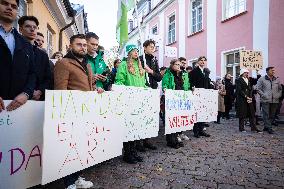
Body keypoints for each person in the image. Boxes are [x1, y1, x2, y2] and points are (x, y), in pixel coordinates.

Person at [54, 34, 94, 189]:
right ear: (70, 46)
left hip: (86, 112)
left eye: (85, 45)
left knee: (81, 147)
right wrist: (64, 113)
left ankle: (77, 177)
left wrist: (96, 89)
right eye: (79, 44)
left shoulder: (88, 64)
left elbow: (88, 86)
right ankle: (68, 183)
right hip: (70, 113)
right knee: (70, 148)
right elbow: (60, 90)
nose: (83, 47)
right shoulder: (63, 63)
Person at [0, 0, 36, 112]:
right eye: (5, 3)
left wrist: (26, 93)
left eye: (14, 6)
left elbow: (32, 73)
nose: (10, 8)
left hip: (17, 109)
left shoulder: (25, 43)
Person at [115, 44, 146, 164]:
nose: (136, 53)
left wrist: (145, 90)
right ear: (128, 53)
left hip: (139, 101)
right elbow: (119, 81)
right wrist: (128, 92)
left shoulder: (139, 66)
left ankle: (134, 152)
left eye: (137, 51)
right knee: (128, 127)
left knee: (136, 127)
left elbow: (142, 84)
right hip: (128, 101)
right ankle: (127, 154)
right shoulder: (123, 65)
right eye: (133, 51)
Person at [136, 39, 162, 151]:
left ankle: (147, 140)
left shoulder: (155, 60)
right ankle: (138, 141)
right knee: (141, 116)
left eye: (154, 47)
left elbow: (159, 77)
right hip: (142, 90)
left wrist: (150, 71)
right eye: (150, 46)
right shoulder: (139, 59)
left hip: (153, 90)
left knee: (150, 116)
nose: (153, 48)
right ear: (145, 47)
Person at [18, 15, 51, 101]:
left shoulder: (43, 55)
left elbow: (48, 78)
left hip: (37, 100)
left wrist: (40, 91)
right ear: (20, 29)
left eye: (35, 27)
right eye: (28, 26)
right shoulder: (15, 49)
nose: (32, 29)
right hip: (15, 98)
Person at [162, 59, 190, 148]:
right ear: (172, 65)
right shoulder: (168, 74)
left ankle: (176, 139)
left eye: (179, 64)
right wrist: (165, 89)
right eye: (176, 64)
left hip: (180, 101)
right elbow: (164, 85)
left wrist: (189, 91)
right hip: (172, 101)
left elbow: (185, 86)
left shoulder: (182, 74)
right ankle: (171, 141)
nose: (178, 66)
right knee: (171, 121)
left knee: (177, 120)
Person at [189, 56, 211, 138]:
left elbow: (207, 82)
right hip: (197, 94)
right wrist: (192, 87)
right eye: (201, 60)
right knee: (197, 113)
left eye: (204, 60)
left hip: (205, 95)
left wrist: (212, 90)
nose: (202, 62)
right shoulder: (194, 71)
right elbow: (191, 81)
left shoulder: (206, 71)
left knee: (203, 113)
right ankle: (196, 131)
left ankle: (201, 130)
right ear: (198, 62)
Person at [257, 67, 282, 134]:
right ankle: (269, 128)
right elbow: (258, 88)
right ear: (267, 71)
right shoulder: (262, 79)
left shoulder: (276, 79)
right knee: (266, 114)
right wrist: (263, 95)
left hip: (275, 100)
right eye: (272, 70)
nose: (273, 72)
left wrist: (278, 95)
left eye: (274, 70)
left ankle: (266, 126)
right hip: (266, 100)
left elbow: (280, 89)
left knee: (272, 115)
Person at [235, 69, 261, 133]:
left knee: (252, 113)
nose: (247, 74)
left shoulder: (248, 79)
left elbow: (252, 86)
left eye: (247, 73)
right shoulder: (238, 80)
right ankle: (241, 128)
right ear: (242, 73)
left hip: (249, 99)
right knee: (242, 114)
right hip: (242, 99)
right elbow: (239, 90)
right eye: (245, 73)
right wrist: (245, 96)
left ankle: (254, 128)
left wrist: (250, 97)